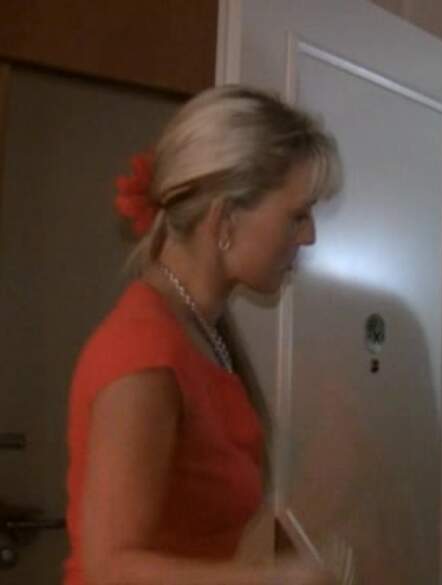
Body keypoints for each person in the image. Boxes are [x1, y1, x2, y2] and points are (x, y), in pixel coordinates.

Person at [65, 85, 342, 585]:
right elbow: (110, 569)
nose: (309, 236)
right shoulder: (143, 354)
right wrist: (276, 581)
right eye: (297, 215)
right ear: (225, 218)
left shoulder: (202, 331)